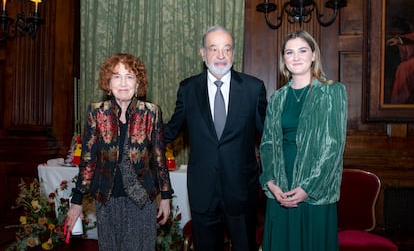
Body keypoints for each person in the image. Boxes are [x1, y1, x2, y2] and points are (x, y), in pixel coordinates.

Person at [165, 25, 267, 251]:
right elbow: (171, 131)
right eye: (214, 49)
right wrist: (137, 127)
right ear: (203, 53)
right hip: (203, 190)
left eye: (227, 49)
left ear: (233, 53)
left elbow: (268, 138)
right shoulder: (188, 89)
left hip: (242, 190)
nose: (221, 56)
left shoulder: (253, 88)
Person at [65, 53, 173, 251]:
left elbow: (159, 158)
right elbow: (88, 161)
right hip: (107, 200)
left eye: (129, 76)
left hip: (142, 200)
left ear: (138, 83)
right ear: (108, 83)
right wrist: (77, 201)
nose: (123, 82)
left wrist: (166, 197)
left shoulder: (151, 112)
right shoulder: (96, 113)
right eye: (116, 76)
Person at [259, 30, 347, 251]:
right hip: (280, 187)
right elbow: (268, 143)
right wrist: (270, 181)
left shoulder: (331, 92)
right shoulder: (277, 98)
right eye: (290, 52)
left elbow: (333, 147)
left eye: (302, 50)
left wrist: (308, 188)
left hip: (315, 190)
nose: (296, 57)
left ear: (314, 55)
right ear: (284, 59)